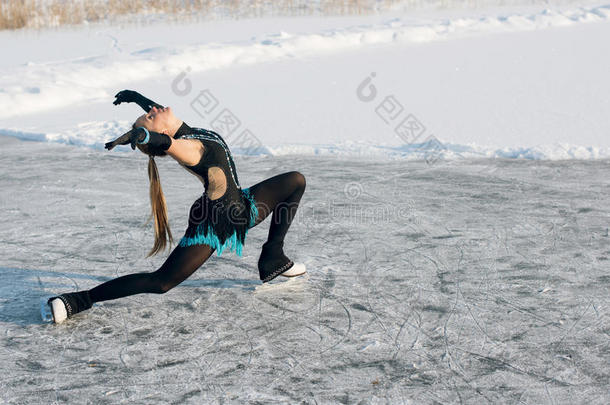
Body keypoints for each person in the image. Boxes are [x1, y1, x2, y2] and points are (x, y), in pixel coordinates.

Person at [45, 90, 307, 324]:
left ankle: (273, 255)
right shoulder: (188, 147)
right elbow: (165, 143)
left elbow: (161, 120)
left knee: (295, 181)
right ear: (159, 133)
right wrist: (144, 134)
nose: (153, 110)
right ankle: (78, 300)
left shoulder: (187, 131)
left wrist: (137, 98)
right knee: (162, 282)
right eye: (149, 116)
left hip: (243, 204)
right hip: (216, 222)